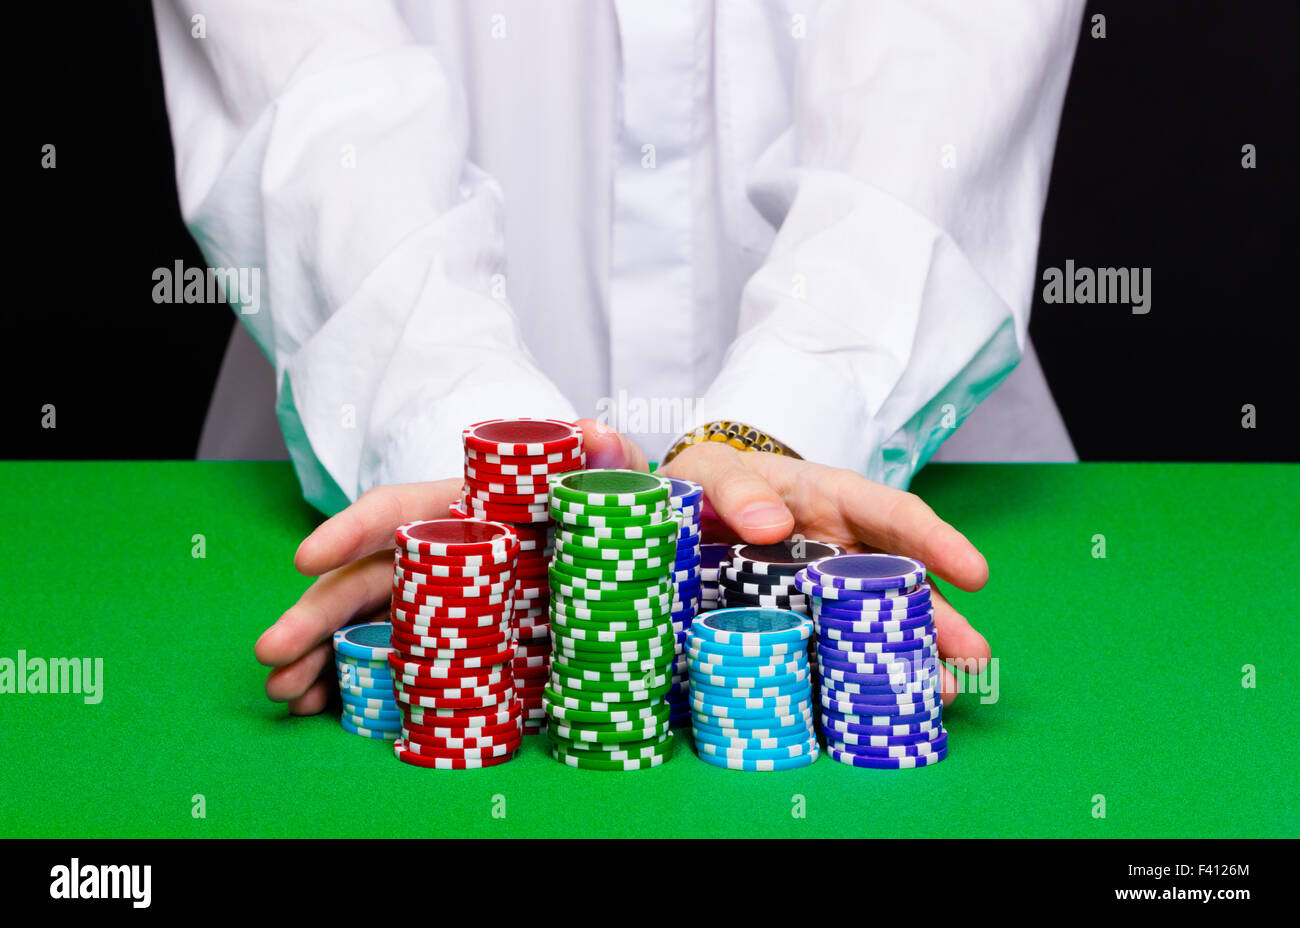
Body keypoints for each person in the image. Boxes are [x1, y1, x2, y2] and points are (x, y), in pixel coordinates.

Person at [150, 0, 1084, 713]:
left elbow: (945, 59)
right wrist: (460, 438)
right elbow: (305, 61)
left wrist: (791, 410)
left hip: (915, 462)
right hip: (365, 471)